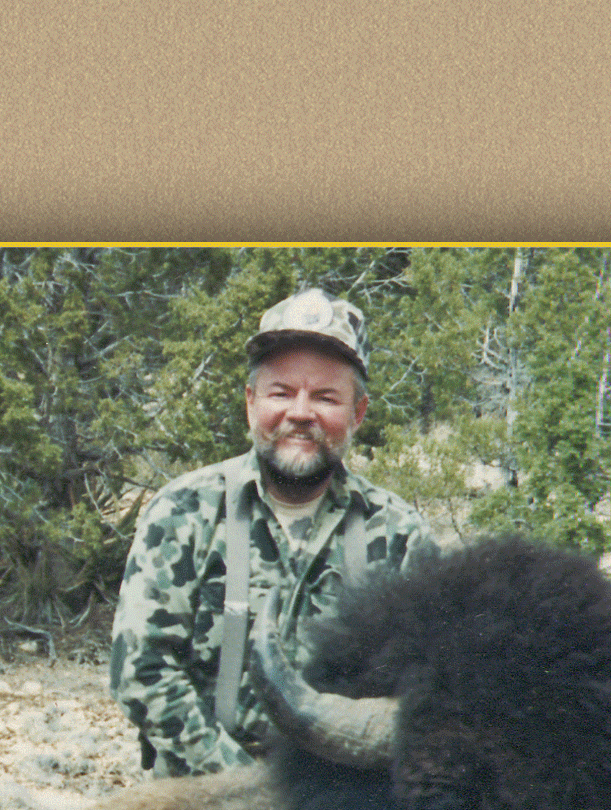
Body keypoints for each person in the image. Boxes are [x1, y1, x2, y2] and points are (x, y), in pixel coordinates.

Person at [109, 287, 452, 775]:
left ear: (357, 414)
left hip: (344, 798)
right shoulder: (184, 511)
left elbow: (428, 696)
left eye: (326, 397)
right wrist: (238, 781)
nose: (301, 413)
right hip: (201, 792)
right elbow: (140, 671)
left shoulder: (400, 535)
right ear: (251, 403)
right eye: (282, 393)